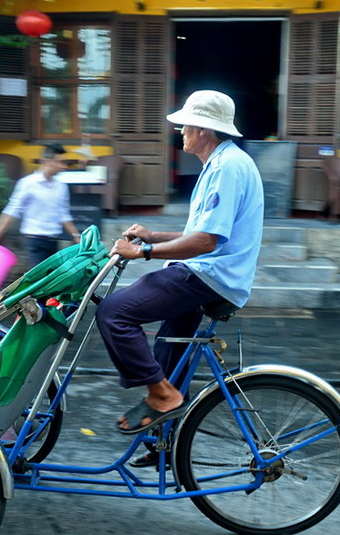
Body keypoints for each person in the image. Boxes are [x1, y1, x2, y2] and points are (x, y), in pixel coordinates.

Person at [95, 90, 264, 437]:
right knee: (168, 350)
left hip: (209, 274)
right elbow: (200, 232)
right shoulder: (222, 162)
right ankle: (165, 442)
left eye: (185, 125)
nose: (181, 131)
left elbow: (205, 242)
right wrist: (152, 235)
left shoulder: (226, 168)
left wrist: (141, 254)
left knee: (114, 313)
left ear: (203, 129)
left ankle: (164, 396)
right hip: (210, 272)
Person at [0, 144, 82, 269]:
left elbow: (63, 214)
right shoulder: (28, 183)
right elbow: (12, 211)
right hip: (35, 243)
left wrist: (77, 236)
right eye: (60, 162)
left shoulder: (61, 187)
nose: (64, 167)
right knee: (39, 283)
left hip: (54, 242)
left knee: (54, 283)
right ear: (47, 161)